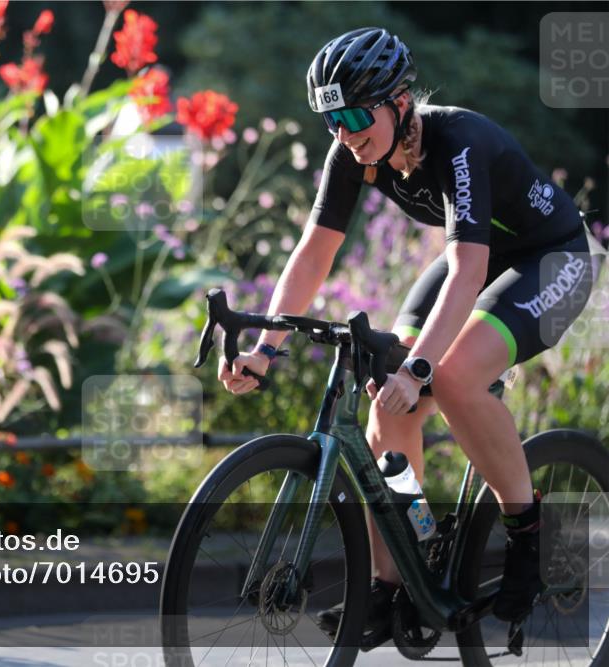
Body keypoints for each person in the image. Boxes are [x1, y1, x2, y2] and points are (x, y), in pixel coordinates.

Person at [218, 26, 602, 635]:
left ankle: (529, 535)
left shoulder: (459, 140)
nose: (342, 132)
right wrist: (267, 349)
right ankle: (397, 576)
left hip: (551, 259)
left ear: (399, 101)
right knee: (386, 407)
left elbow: (470, 270)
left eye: (350, 113)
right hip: (475, 259)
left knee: (449, 378)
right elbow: (314, 254)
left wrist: (419, 366)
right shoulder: (352, 153)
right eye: (329, 119)